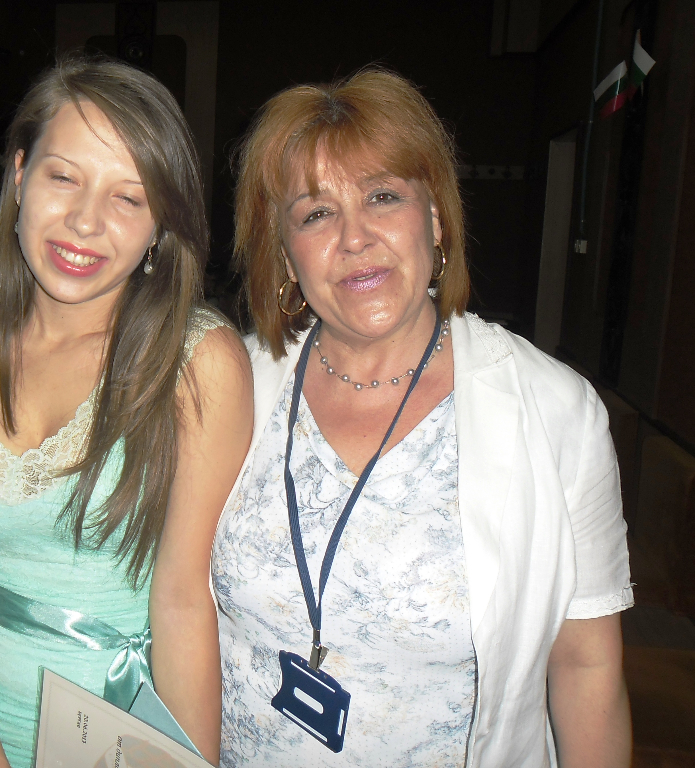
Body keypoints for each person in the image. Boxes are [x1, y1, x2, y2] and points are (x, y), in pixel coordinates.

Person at [212, 69, 633, 768]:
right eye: (316, 214)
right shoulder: (228, 384)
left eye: (382, 197)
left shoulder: (555, 411)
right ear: (285, 254)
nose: (355, 237)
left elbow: (586, 666)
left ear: (434, 219)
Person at [0, 55, 252, 768]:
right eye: (64, 177)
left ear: (160, 225)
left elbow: (183, 602)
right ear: (20, 174)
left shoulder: (194, 361)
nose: (86, 221)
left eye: (129, 197)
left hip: (124, 738)